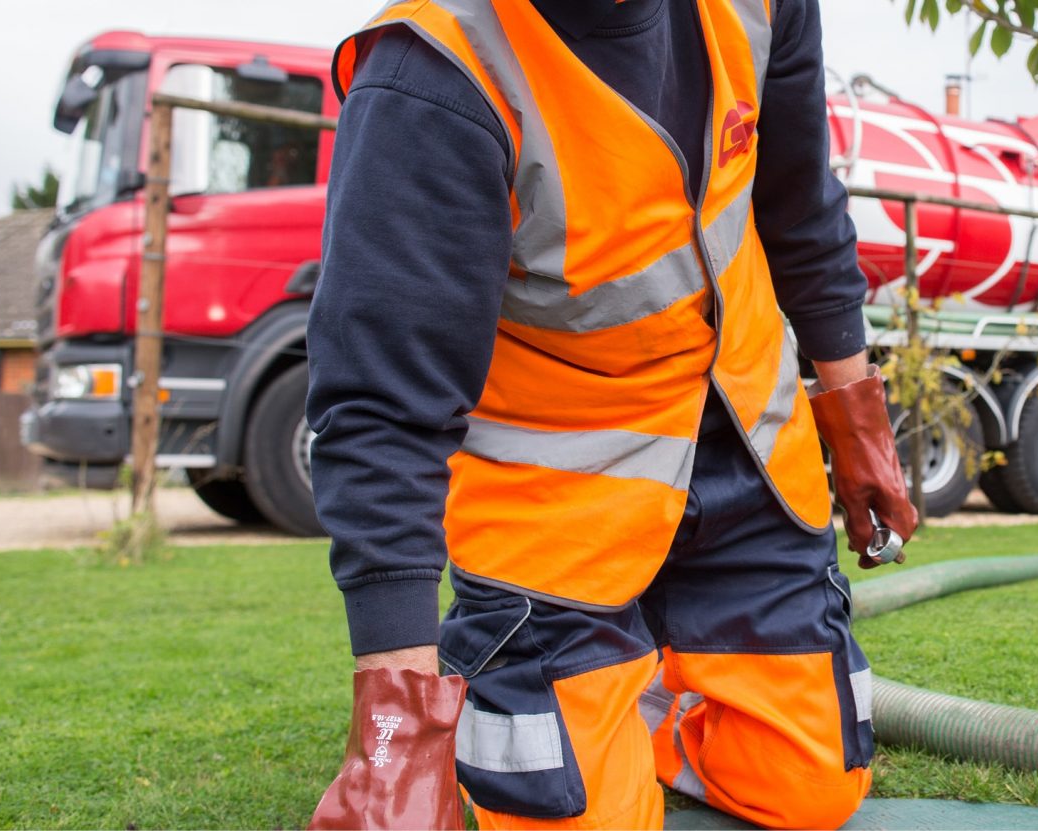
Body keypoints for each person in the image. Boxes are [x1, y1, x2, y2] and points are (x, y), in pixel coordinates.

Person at [301, 1, 920, 828]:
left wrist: (856, 421)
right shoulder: (436, 73)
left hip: (741, 452)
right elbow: (382, 409)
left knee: (808, 788)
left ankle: (634, 695)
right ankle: (532, 690)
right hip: (561, 510)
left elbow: (799, 204)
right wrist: (396, 725)